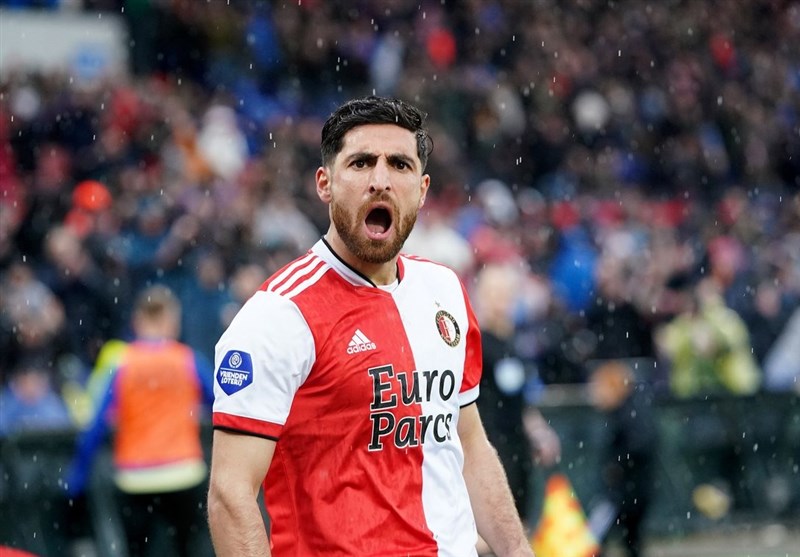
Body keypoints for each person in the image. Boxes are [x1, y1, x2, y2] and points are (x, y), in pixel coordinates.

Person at [207, 96, 535, 557]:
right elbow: (230, 494)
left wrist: (518, 551)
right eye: (361, 163)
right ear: (325, 183)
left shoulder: (445, 290)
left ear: (422, 189)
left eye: (399, 165)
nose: (381, 180)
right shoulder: (278, 316)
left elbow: (469, 445)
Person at [67, 284, 215, 557]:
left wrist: (77, 479)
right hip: (183, 472)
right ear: (170, 320)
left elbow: (94, 426)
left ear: (137, 321)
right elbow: (220, 406)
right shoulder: (188, 359)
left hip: (135, 477)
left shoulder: (122, 363)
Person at [587, 359, 658, 557]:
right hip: (629, 489)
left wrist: (617, 465)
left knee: (598, 539)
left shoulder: (630, 413)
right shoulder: (627, 411)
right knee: (629, 540)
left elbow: (640, 445)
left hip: (626, 490)